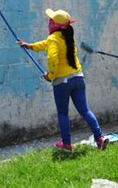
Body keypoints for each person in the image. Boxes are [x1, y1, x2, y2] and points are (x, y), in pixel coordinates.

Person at [18, 8, 109, 151]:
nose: (49, 21)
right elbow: (47, 44)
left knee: (62, 113)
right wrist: (30, 46)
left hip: (62, 82)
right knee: (85, 110)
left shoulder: (54, 38)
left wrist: (50, 76)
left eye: (51, 20)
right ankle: (100, 137)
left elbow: (52, 57)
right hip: (78, 77)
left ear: (55, 25)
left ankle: (66, 144)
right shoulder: (67, 36)